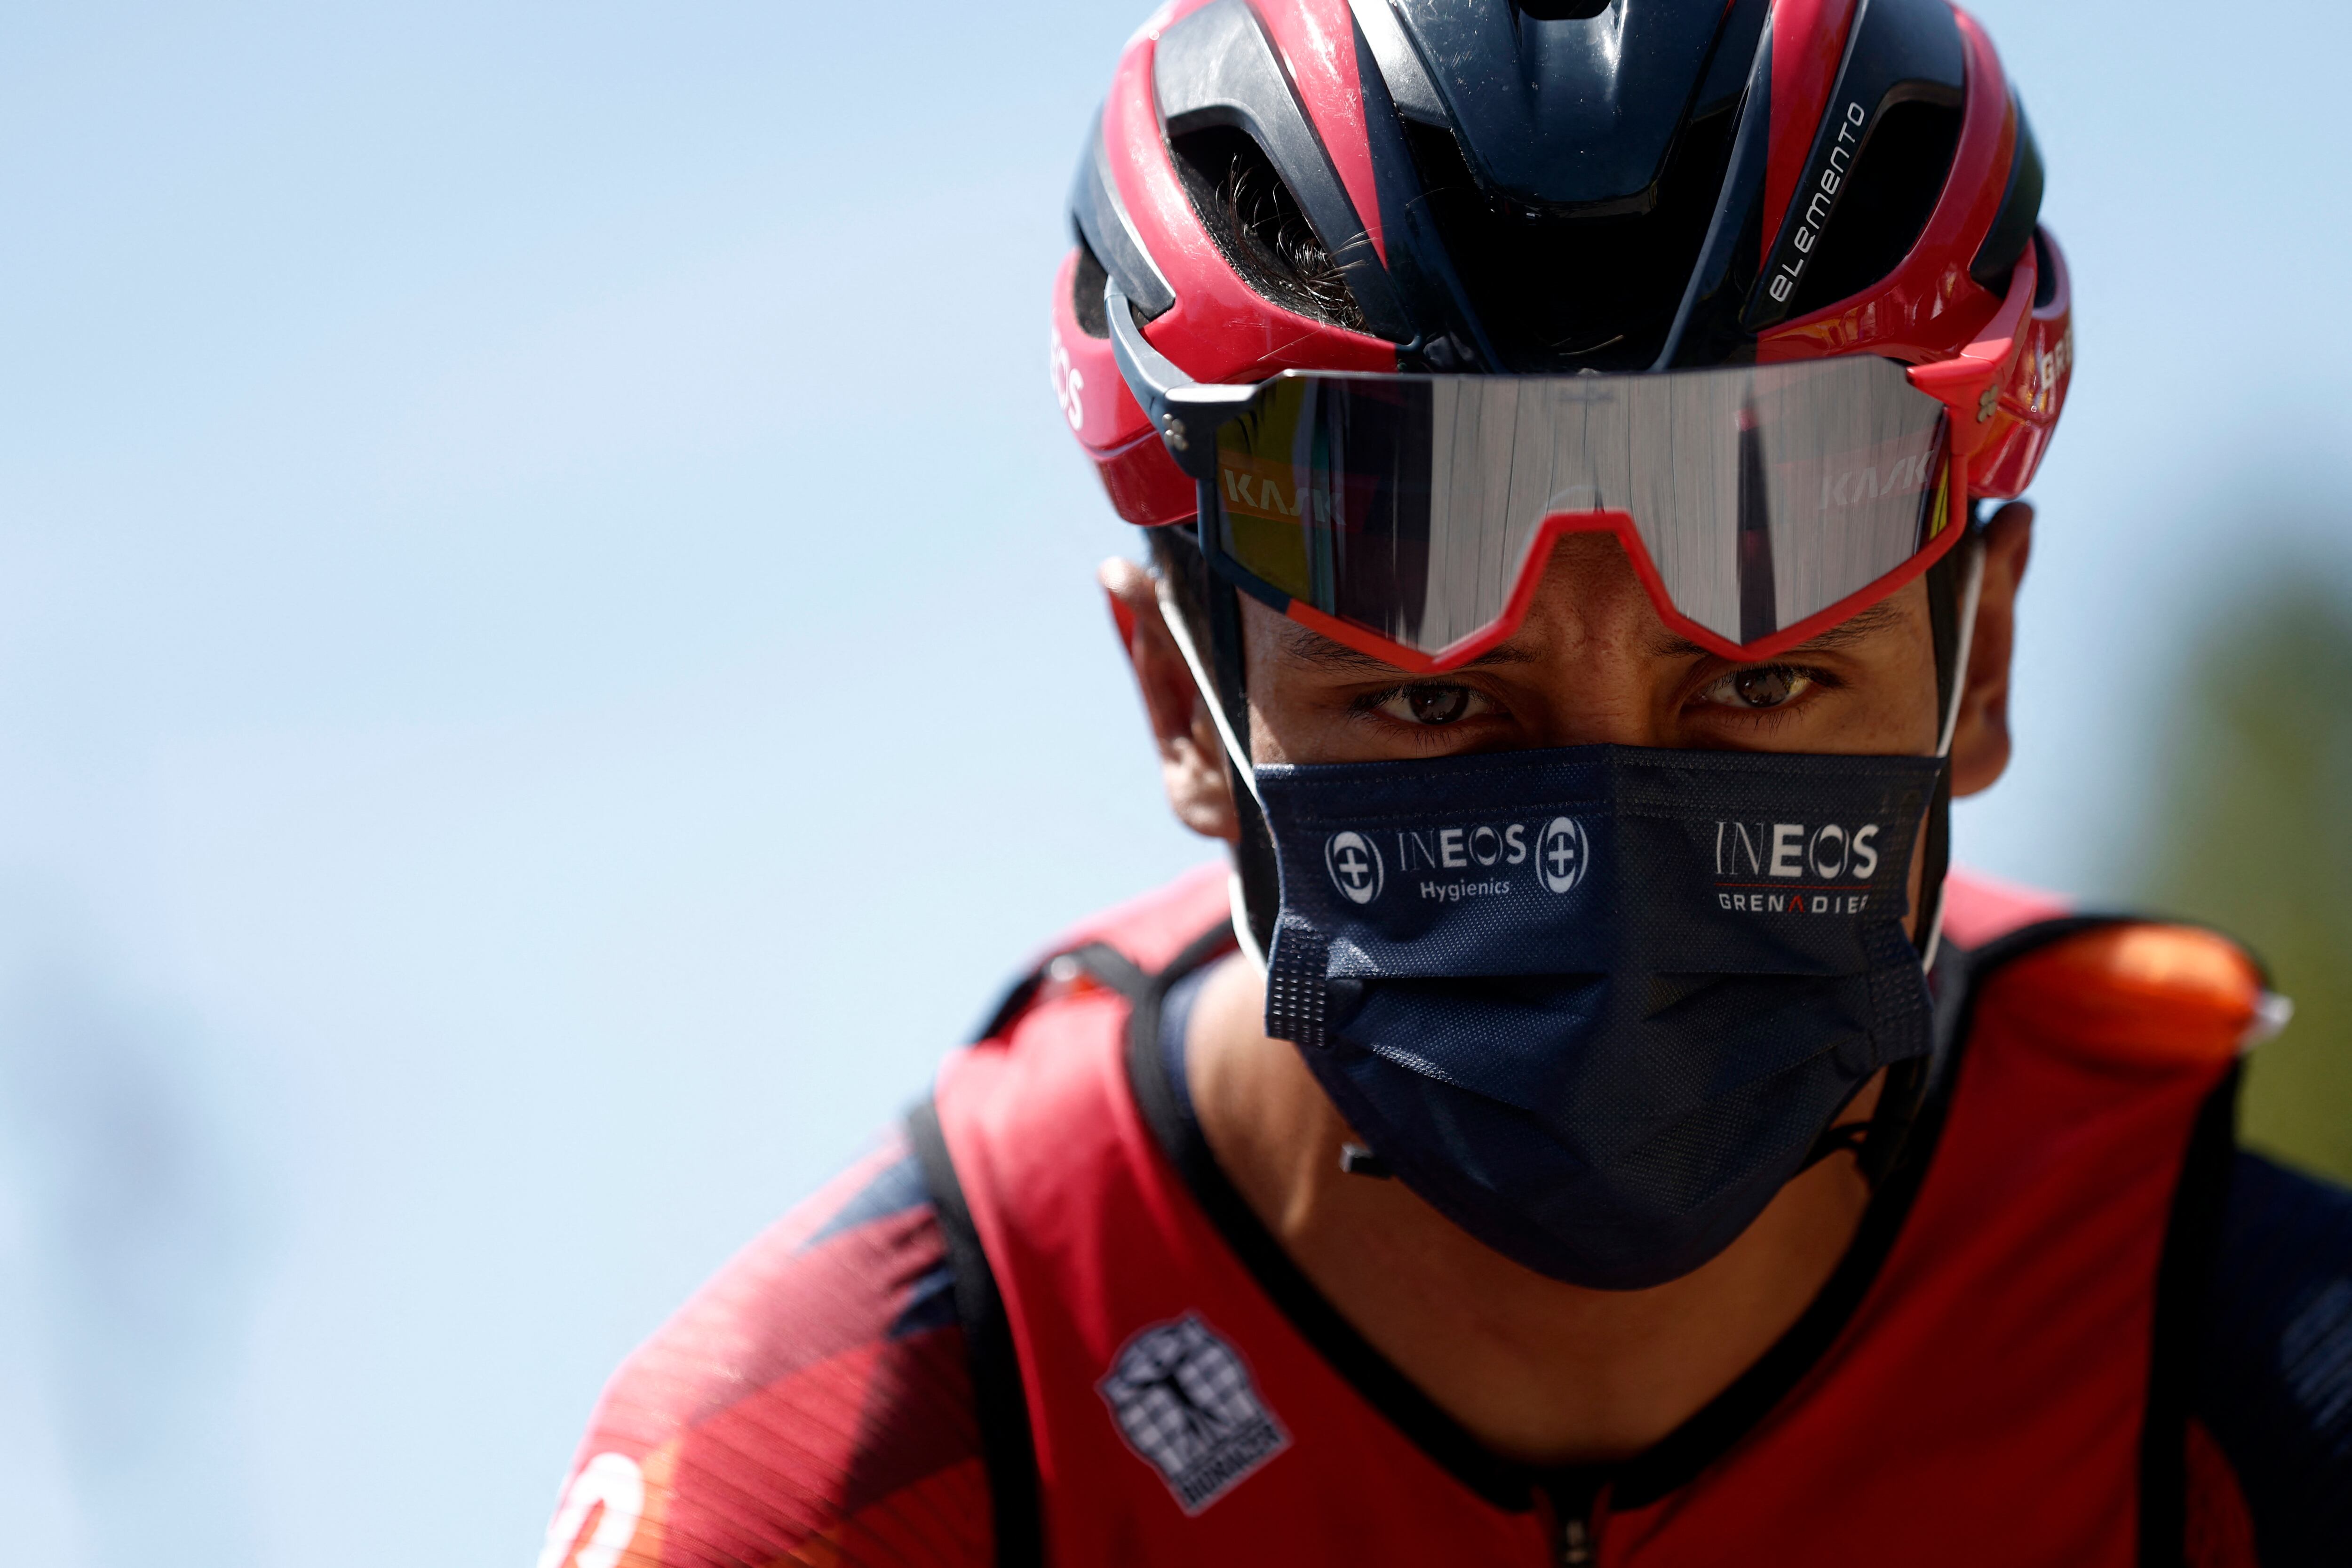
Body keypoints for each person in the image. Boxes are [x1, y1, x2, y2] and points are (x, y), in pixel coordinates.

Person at [533, 2, 2352, 1564]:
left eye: (1761, 679)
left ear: (1987, 662)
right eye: (1433, 699)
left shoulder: (2262, 1376)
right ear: (1181, 701)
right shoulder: (851, 1460)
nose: (1606, 842)